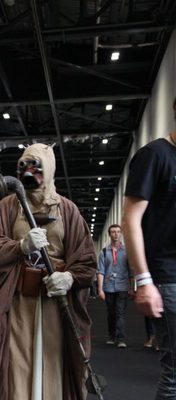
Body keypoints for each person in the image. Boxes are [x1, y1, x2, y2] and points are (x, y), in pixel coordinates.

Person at [0, 143, 97, 400]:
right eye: (23, 166)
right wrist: (19, 246)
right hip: (18, 304)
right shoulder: (8, 208)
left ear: (50, 169)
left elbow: (86, 260)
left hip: (55, 306)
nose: (29, 171)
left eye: (35, 165)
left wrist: (69, 277)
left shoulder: (68, 211)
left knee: (53, 362)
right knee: (16, 364)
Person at [123, 107, 176, 399]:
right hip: (167, 276)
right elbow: (130, 220)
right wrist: (143, 281)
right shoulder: (154, 155)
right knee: (175, 372)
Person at [97, 224, 132, 348]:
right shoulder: (104, 252)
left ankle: (121, 339)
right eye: (113, 232)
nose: (116, 234)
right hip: (108, 287)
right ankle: (111, 336)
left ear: (120, 233)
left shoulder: (126, 252)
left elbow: (131, 271)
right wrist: (100, 289)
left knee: (120, 312)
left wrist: (132, 288)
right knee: (111, 313)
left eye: (118, 231)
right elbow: (100, 271)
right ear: (109, 234)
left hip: (123, 286)